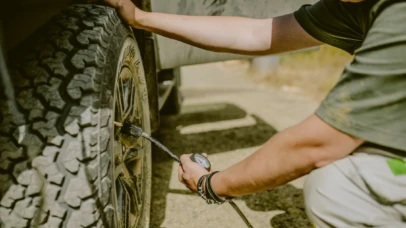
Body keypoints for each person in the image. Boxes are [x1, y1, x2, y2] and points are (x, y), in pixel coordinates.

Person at [101, 0, 406, 226]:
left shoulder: (398, 14)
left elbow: (317, 145)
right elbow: (256, 34)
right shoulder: (355, 7)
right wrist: (141, 18)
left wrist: (212, 185)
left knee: (336, 189)